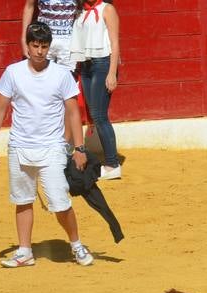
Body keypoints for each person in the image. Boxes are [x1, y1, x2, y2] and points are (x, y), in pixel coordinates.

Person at [0, 21, 93, 269]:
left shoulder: (60, 74)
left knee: (59, 201)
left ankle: (76, 245)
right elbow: (0, 107)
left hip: (52, 147)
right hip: (20, 146)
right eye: (35, 46)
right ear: (28, 45)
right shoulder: (13, 72)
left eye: (44, 46)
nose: (39, 52)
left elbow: (73, 113)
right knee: (22, 199)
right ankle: (25, 251)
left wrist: (79, 148)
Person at [70, 0, 120, 180]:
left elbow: (114, 42)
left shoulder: (107, 9)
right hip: (86, 66)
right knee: (94, 114)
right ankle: (111, 162)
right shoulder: (80, 12)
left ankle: (113, 164)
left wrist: (112, 73)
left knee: (99, 116)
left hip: (102, 64)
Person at [20, 0, 77, 68]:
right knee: (42, 74)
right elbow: (29, 6)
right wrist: (24, 39)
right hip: (43, 38)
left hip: (68, 39)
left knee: (67, 75)